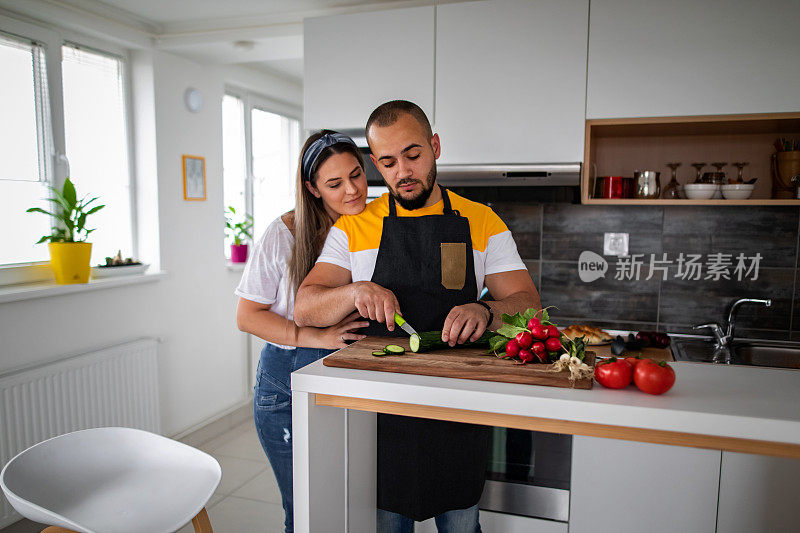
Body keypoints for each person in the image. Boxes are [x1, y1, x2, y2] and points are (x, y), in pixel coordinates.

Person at [293, 101, 541, 532]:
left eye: (413, 155)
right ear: (376, 164)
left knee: (461, 521)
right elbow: (305, 306)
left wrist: (486, 309)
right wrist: (355, 290)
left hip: (460, 409)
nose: (403, 172)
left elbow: (528, 305)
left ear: (435, 146)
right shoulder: (353, 228)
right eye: (388, 162)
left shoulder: (482, 221)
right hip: (382, 415)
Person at [235, 130, 370, 533]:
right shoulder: (284, 235)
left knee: (352, 504)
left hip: (348, 373)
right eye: (334, 183)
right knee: (309, 511)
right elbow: (247, 315)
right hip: (286, 384)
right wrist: (312, 336)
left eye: (357, 174)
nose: (352, 190)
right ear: (312, 189)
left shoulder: (370, 222)